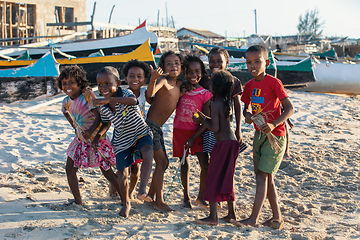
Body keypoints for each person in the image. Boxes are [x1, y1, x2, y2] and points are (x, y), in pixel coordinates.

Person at [231, 45, 294, 229]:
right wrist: (248, 116)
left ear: (266, 62)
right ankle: (277, 219)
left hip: (275, 136)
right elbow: (246, 108)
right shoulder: (249, 86)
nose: (253, 65)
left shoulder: (274, 82)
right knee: (267, 178)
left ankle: (253, 219)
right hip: (259, 136)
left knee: (261, 177)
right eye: (249, 62)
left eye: (257, 62)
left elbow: (290, 109)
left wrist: (274, 124)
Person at [56, 65, 121, 206]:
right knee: (69, 169)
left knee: (107, 172)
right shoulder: (66, 101)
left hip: (97, 139)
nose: (67, 86)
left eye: (71, 82)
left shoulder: (87, 95)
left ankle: (124, 198)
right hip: (80, 141)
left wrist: (91, 132)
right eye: (64, 83)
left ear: (79, 83)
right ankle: (78, 200)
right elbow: (65, 112)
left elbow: (98, 116)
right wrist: (74, 127)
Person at [93, 66, 154, 217]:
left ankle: (142, 190)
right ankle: (126, 202)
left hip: (140, 131)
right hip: (122, 139)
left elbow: (133, 101)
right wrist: (97, 136)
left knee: (147, 153)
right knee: (122, 174)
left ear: (118, 83)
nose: (103, 87)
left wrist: (109, 99)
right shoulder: (103, 105)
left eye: (107, 83)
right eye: (100, 84)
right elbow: (106, 123)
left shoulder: (125, 93)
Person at [194, 71, 241, 226]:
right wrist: (204, 118)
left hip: (222, 145)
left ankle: (213, 216)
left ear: (215, 86)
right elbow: (220, 123)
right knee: (227, 179)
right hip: (232, 144)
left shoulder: (214, 103)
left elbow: (214, 127)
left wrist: (202, 121)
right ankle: (231, 214)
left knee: (213, 178)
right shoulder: (226, 102)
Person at [146, 50, 184, 212]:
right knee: (162, 162)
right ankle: (158, 201)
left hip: (158, 128)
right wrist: (153, 79)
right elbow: (150, 95)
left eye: (176, 63)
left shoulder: (180, 85)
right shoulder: (162, 81)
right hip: (150, 126)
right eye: (169, 63)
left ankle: (150, 196)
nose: (173, 66)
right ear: (162, 67)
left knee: (164, 163)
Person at [173, 55, 213, 208]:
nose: (193, 75)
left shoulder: (205, 94)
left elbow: (206, 119)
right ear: (184, 72)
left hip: (198, 133)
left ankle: (201, 196)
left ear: (202, 72)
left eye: (197, 71)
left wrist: (194, 137)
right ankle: (186, 197)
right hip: (180, 131)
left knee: (205, 165)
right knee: (184, 164)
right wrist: (180, 87)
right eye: (189, 72)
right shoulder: (180, 88)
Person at [199, 47, 243, 176]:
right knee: (206, 165)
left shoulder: (233, 81)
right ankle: (204, 193)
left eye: (219, 61)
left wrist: (238, 129)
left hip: (222, 129)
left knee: (219, 162)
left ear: (227, 62)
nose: (215, 64)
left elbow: (237, 105)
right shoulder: (205, 80)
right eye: (212, 60)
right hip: (205, 128)